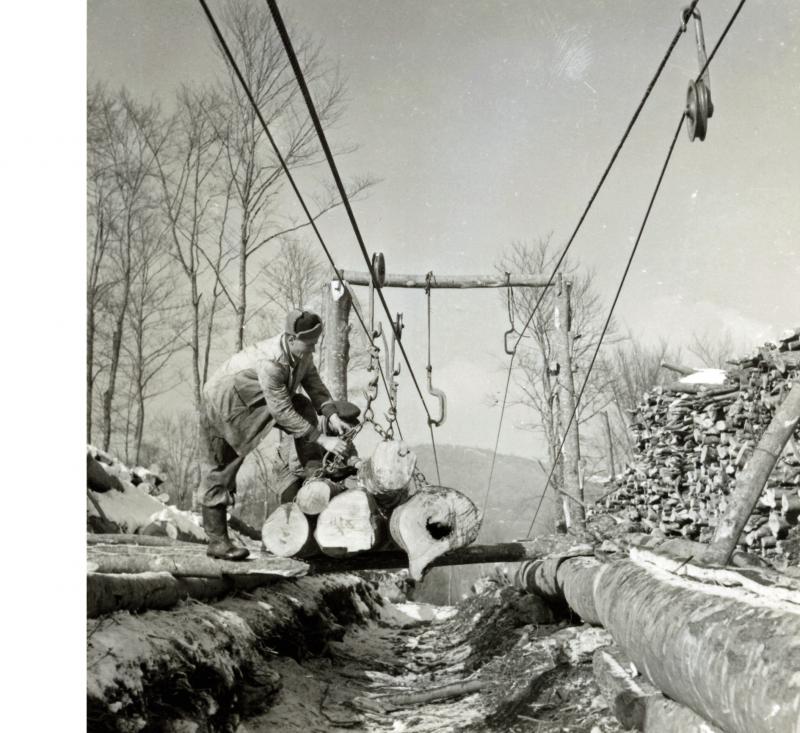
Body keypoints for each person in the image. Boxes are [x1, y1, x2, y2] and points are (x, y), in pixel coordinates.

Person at [199, 310, 350, 560]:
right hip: (224, 405)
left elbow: (315, 387)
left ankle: (315, 474)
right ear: (291, 339)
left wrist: (332, 415)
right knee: (221, 470)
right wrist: (323, 439)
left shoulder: (301, 354)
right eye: (309, 344)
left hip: (258, 401)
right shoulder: (272, 362)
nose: (312, 350)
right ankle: (217, 542)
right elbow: (281, 412)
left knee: (303, 404)